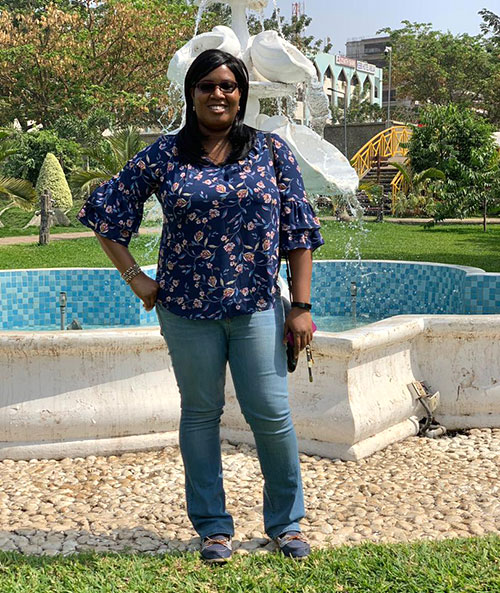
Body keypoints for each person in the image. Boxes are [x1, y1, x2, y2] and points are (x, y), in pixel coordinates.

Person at [78, 48, 323, 563]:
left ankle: (287, 523)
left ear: (241, 95)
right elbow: (107, 211)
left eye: (228, 86)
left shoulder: (271, 151)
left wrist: (300, 305)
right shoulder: (165, 154)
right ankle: (213, 528)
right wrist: (134, 277)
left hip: (256, 304)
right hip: (186, 308)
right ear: (192, 93)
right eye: (207, 85)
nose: (218, 94)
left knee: (271, 413)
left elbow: (297, 232)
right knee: (201, 413)